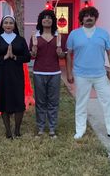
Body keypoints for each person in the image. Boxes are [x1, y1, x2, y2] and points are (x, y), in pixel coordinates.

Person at [66, 6, 110, 142]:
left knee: (108, 101)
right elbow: (69, 55)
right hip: (81, 74)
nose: (88, 18)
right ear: (81, 19)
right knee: (81, 103)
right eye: (86, 16)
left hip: (100, 75)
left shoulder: (103, 33)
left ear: (95, 18)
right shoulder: (74, 34)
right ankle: (80, 130)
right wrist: (69, 73)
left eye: (91, 15)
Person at [0, 15, 31, 139]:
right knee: (3, 99)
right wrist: (4, 57)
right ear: (2, 25)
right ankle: (8, 130)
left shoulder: (20, 39)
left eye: (10, 23)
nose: (8, 25)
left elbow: (27, 57)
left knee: (18, 100)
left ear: (14, 25)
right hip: (1, 74)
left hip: (16, 74)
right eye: (5, 23)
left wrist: (15, 57)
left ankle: (17, 130)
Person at [29, 9, 66, 138]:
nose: (47, 19)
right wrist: (33, 51)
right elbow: (32, 56)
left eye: (50, 17)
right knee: (40, 101)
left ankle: (52, 128)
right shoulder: (35, 36)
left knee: (53, 101)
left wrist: (60, 53)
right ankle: (40, 127)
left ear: (53, 20)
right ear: (40, 20)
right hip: (39, 72)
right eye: (44, 17)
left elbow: (62, 55)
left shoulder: (58, 36)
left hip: (54, 73)